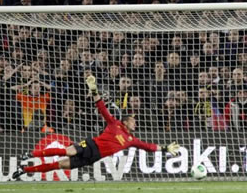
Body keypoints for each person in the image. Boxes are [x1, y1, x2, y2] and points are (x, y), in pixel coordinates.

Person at [12, 76, 180, 180]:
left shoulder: (131, 140)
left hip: (93, 157)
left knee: (60, 165)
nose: (135, 123)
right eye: (133, 121)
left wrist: (165, 148)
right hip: (92, 145)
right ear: (126, 121)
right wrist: (94, 90)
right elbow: (102, 107)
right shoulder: (115, 124)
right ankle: (30, 154)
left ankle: (24, 169)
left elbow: (148, 147)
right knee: (66, 151)